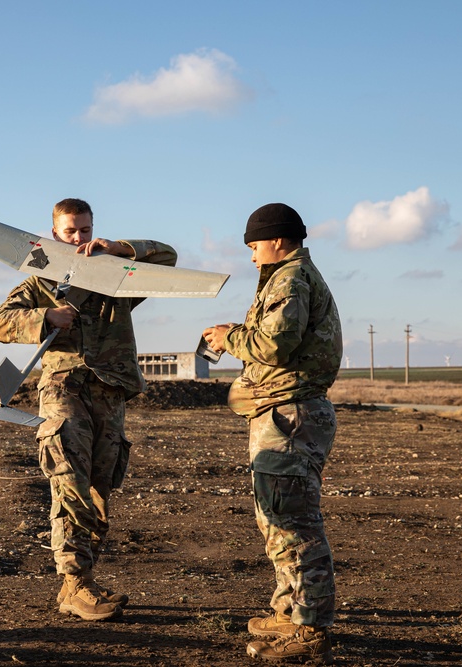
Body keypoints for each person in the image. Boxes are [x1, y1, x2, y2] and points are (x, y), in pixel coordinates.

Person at [0, 197, 177, 621]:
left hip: (110, 392)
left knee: (99, 488)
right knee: (69, 482)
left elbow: (168, 256)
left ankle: (81, 581)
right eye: (70, 231)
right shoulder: (39, 279)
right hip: (64, 388)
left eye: (85, 230)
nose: (78, 238)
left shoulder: (118, 276)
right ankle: (75, 583)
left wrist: (120, 249)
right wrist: (46, 316)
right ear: (55, 233)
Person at [202, 203, 342, 664]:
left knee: (293, 523)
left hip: (291, 416)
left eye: (254, 245)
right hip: (280, 414)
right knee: (276, 517)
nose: (251, 255)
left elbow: (274, 345)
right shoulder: (285, 277)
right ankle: (290, 610)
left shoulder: (289, 279)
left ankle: (309, 630)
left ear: (278, 240)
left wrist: (229, 336)